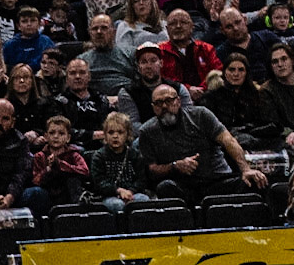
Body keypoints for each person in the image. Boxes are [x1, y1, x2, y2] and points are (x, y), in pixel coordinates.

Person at [136, 85, 269, 204]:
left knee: (254, 182)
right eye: (159, 103)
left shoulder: (200, 115)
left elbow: (229, 141)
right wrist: (175, 166)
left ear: (178, 101)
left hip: (216, 179)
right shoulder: (147, 132)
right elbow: (152, 169)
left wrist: (246, 169)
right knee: (165, 187)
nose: (164, 106)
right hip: (183, 186)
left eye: (169, 101)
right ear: (153, 107)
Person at [204, 52, 282, 149]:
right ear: (225, 72)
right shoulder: (212, 97)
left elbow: (272, 124)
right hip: (225, 142)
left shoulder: (258, 95)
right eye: (231, 69)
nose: (236, 74)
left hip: (256, 137)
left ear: (246, 73)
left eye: (241, 70)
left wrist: (248, 130)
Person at [85, 111, 151, 217]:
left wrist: (130, 191)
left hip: (132, 193)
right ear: (105, 135)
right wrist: (118, 191)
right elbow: (99, 182)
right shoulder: (99, 156)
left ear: (127, 134)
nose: (115, 136)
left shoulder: (134, 154)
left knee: (144, 200)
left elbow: (141, 179)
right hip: (108, 195)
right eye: (111, 132)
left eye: (120, 132)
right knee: (117, 205)